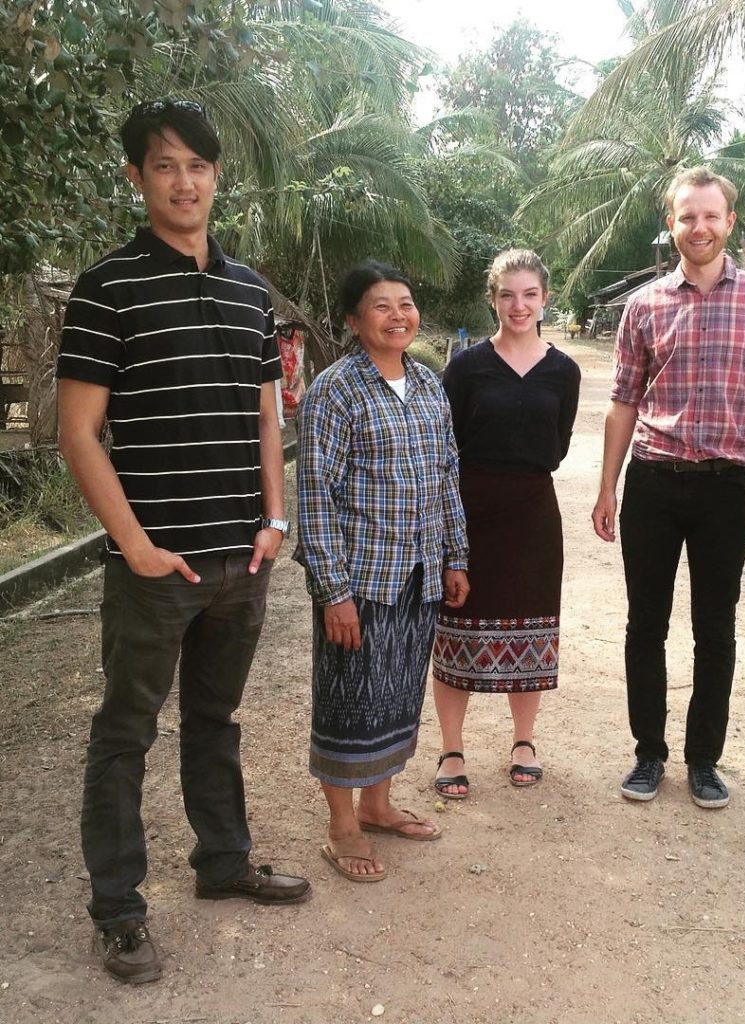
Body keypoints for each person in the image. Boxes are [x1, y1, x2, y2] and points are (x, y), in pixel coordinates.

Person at [57, 98, 310, 986]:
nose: (183, 180)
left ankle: (224, 863)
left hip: (240, 560)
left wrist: (274, 520)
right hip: (156, 565)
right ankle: (120, 912)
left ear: (215, 177)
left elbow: (266, 409)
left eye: (197, 165)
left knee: (216, 720)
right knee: (126, 731)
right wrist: (130, 543)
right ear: (137, 178)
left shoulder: (249, 291)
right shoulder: (107, 287)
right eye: (164, 165)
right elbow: (79, 430)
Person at [592, 166, 745, 807]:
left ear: (730, 222)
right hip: (653, 480)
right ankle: (649, 755)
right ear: (671, 224)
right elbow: (623, 401)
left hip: (724, 487)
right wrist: (607, 488)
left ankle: (705, 759)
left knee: (716, 626)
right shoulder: (644, 305)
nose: (698, 227)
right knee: (644, 625)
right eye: (686, 216)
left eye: (710, 216)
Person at [294, 261, 469, 881]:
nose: (399, 316)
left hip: (419, 573)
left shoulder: (427, 384)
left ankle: (377, 805)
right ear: (352, 320)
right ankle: (342, 825)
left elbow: (448, 476)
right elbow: (316, 495)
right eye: (381, 306)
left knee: (396, 694)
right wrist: (332, 592)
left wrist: (455, 556)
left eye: (407, 303)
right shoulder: (335, 390)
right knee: (347, 700)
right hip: (361, 579)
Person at [432, 250, 581, 797]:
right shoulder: (466, 367)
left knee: (533, 627)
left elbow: (558, 444)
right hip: (471, 509)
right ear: (491, 299)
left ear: (545, 297)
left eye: (530, 295)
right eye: (507, 295)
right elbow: (445, 445)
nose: (519, 306)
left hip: (533, 512)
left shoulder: (564, 370)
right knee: (455, 629)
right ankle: (451, 749)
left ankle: (524, 741)